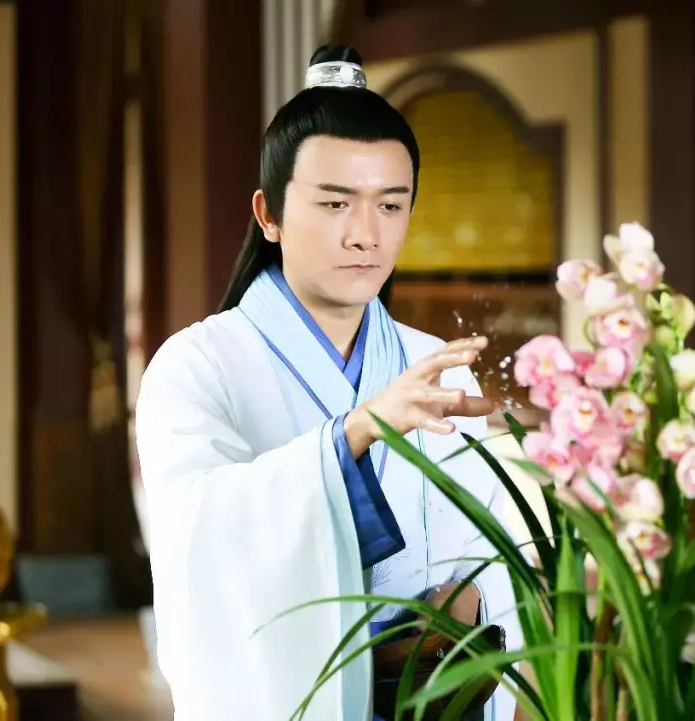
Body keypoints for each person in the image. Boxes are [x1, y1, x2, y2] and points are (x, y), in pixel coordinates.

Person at [134, 44, 520, 721]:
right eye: (336, 203)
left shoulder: (436, 363)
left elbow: (492, 556)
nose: (366, 235)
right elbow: (197, 539)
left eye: (391, 206)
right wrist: (358, 430)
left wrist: (473, 605)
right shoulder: (197, 365)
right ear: (269, 214)